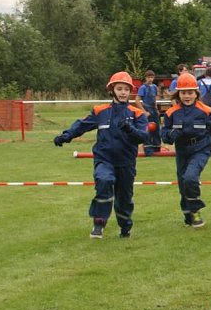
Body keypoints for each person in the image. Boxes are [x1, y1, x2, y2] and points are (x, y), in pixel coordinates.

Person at [53, 72, 149, 239]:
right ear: (112, 90)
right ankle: (99, 223)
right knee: (104, 181)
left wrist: (129, 129)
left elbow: (143, 136)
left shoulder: (137, 114)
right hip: (104, 159)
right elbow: (82, 125)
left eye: (126, 89)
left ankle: (125, 227)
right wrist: (66, 135)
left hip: (126, 162)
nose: (123, 92)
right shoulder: (100, 111)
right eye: (119, 88)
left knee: (124, 199)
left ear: (130, 91)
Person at [160, 73, 211, 228]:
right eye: (183, 93)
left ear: (196, 93)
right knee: (183, 184)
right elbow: (165, 136)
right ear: (178, 94)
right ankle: (188, 216)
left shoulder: (205, 110)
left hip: (201, 148)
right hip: (182, 150)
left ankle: (196, 210)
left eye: (190, 92)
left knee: (190, 177)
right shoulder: (171, 113)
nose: (187, 96)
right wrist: (172, 135)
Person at [134, 70, 161, 156]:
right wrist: (144, 111)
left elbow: (155, 99)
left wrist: (156, 109)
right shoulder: (143, 87)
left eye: (152, 77)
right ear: (146, 78)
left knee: (156, 129)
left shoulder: (154, 87)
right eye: (148, 77)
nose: (150, 79)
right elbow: (137, 100)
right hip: (147, 108)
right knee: (148, 129)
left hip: (153, 110)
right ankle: (148, 149)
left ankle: (157, 147)